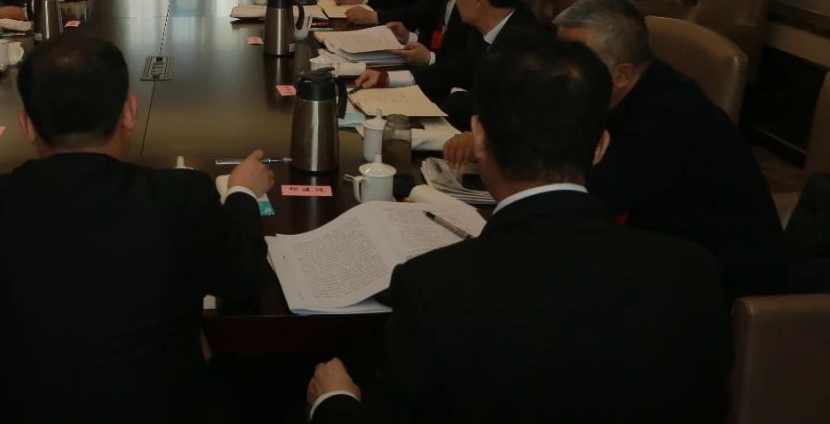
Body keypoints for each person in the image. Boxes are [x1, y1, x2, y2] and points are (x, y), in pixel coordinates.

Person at [308, 37, 730, 424]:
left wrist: (334, 403)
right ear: (601, 147)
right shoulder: (692, 273)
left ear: (479, 138)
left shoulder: (433, 289)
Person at [0, 35, 273, 422]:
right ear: (130, 113)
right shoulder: (180, 196)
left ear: (27, 125)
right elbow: (243, 278)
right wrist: (241, 194)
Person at [553, 0, 787, 299]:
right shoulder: (626, 89)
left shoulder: (668, 117)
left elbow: (587, 202)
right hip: (662, 245)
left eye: (575, 61)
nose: (559, 71)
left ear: (622, 74)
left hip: (720, 282)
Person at [356, 0, 542, 129]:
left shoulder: (526, 47)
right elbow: (453, 70)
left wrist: (453, 97)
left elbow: (489, 106)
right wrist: (387, 78)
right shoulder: (484, 28)